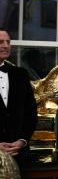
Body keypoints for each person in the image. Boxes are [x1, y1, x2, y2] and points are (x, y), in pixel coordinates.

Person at [0, 29, 37, 166]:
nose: (6, 45)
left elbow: (31, 113)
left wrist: (22, 141)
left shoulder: (21, 74)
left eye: (8, 42)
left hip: (19, 157)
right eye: (0, 42)